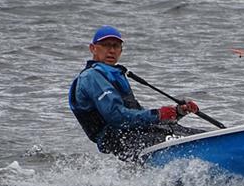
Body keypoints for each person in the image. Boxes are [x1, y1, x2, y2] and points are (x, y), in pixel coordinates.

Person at [69, 25, 202, 162]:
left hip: (137, 134)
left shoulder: (113, 74)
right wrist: (158, 114)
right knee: (193, 141)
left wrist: (177, 111)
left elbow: (136, 114)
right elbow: (117, 117)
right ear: (93, 48)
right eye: (106, 45)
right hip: (121, 139)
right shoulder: (91, 77)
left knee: (200, 135)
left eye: (116, 46)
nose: (111, 50)